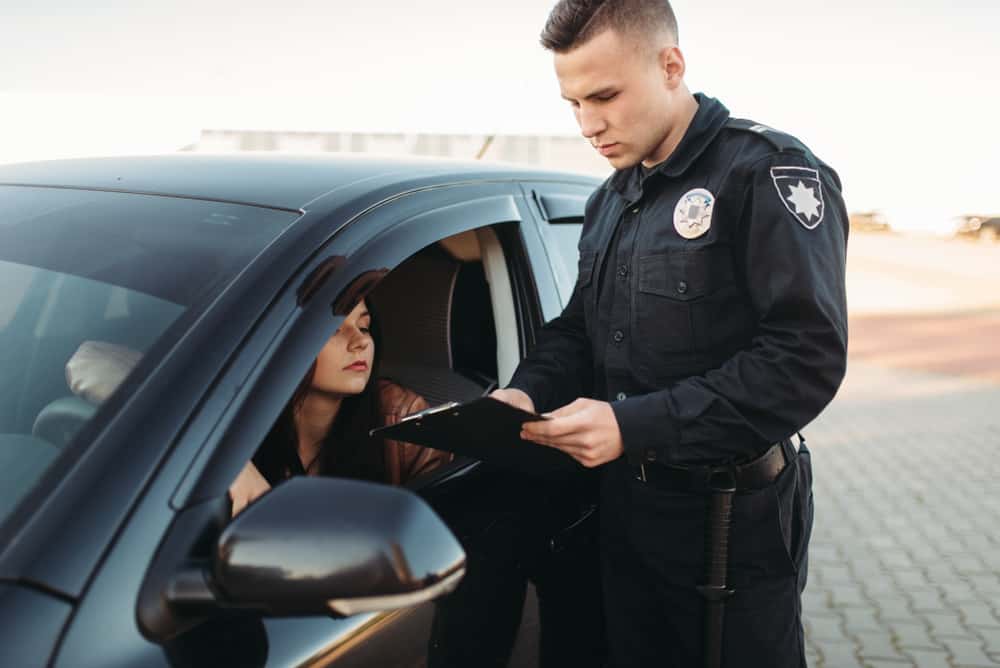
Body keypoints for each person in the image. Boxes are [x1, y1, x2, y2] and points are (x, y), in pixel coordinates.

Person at [491, 1, 848, 667]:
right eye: (572, 103)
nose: (588, 124)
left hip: (729, 526)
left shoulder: (765, 172)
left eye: (605, 95)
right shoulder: (611, 199)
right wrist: (523, 393)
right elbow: (577, 330)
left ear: (671, 66)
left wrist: (636, 426)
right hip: (624, 513)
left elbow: (805, 358)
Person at [228, 297, 452, 514]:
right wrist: (233, 467)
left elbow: (436, 527)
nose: (361, 341)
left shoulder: (401, 417)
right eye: (333, 330)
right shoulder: (233, 422)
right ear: (284, 343)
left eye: (364, 327)